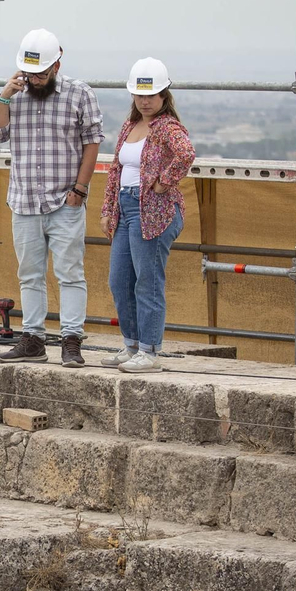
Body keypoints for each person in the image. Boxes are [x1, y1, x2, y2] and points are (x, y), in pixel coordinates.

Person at [0, 28, 104, 367]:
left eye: (41, 73)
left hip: (64, 200)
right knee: (30, 273)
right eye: (30, 73)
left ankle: (71, 339)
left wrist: (79, 190)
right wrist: (4, 97)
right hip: (24, 200)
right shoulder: (15, 94)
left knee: (70, 272)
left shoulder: (79, 94)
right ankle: (33, 338)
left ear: (57, 64)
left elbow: (92, 141)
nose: (36, 79)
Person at [100, 57, 195, 373]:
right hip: (127, 210)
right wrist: (108, 210)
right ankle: (131, 345)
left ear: (164, 95)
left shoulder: (167, 127)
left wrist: (163, 182)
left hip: (154, 213)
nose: (144, 100)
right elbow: (116, 169)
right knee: (120, 280)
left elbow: (186, 154)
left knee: (148, 281)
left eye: (151, 95)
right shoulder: (130, 126)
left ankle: (149, 350)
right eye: (139, 95)